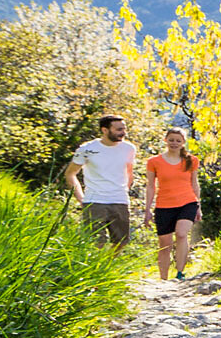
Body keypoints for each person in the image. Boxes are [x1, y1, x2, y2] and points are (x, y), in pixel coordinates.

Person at [64, 114, 138, 250]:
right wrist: (81, 198)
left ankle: (106, 266)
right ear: (105, 130)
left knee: (121, 241)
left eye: (124, 129)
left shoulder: (129, 148)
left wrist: (124, 191)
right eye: (118, 130)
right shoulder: (87, 149)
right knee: (96, 242)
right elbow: (70, 173)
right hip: (94, 200)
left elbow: (129, 172)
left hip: (119, 200)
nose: (123, 133)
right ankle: (94, 268)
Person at [143, 127, 204, 280]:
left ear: (183, 142)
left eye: (178, 140)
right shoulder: (154, 162)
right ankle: (163, 279)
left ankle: (179, 273)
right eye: (171, 140)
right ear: (166, 140)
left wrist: (198, 207)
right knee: (165, 244)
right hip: (164, 205)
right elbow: (150, 186)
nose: (174, 143)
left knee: (182, 234)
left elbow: (195, 184)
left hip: (187, 202)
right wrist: (147, 210)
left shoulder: (191, 160)